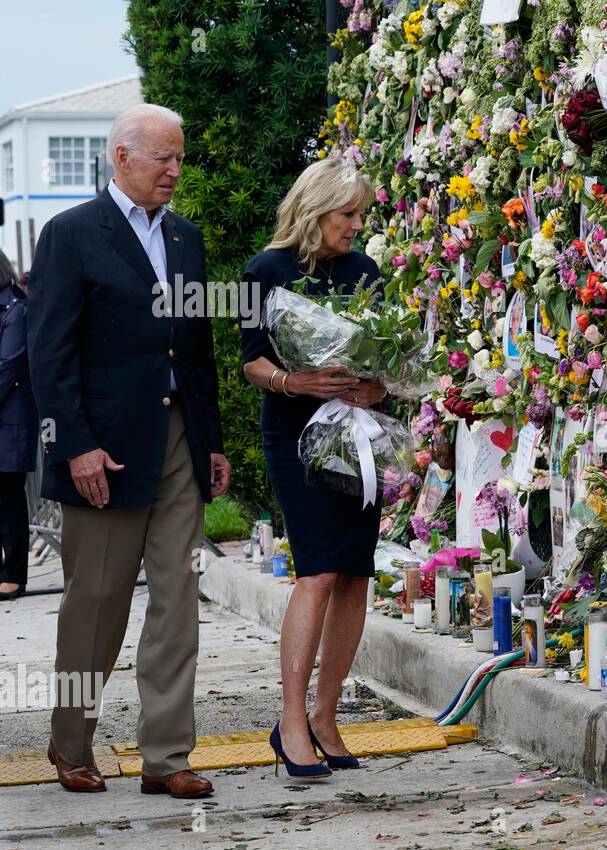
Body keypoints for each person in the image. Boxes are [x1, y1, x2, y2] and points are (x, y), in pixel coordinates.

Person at [26, 103, 228, 797]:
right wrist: (74, 445)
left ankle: (167, 757)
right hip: (101, 449)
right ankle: (71, 742)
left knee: (177, 597)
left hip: (177, 441)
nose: (175, 170)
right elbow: (47, 354)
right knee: (98, 603)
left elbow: (196, 351)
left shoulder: (185, 238)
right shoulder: (70, 235)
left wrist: (212, 441)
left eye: (179, 158)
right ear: (121, 157)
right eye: (162, 158)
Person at [240, 158, 386, 778]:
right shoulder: (264, 271)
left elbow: (387, 359)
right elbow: (250, 362)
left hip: (357, 437)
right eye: (348, 215)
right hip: (295, 437)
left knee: (354, 574)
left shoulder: (366, 271)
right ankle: (291, 721)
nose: (357, 226)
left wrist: (377, 390)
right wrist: (295, 380)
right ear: (315, 209)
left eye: (360, 215)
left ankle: (326, 717)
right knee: (318, 572)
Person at [0, 249, 36, 599]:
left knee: (9, 501)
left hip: (9, 424)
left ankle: (13, 574)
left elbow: (8, 367)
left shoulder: (15, 309)